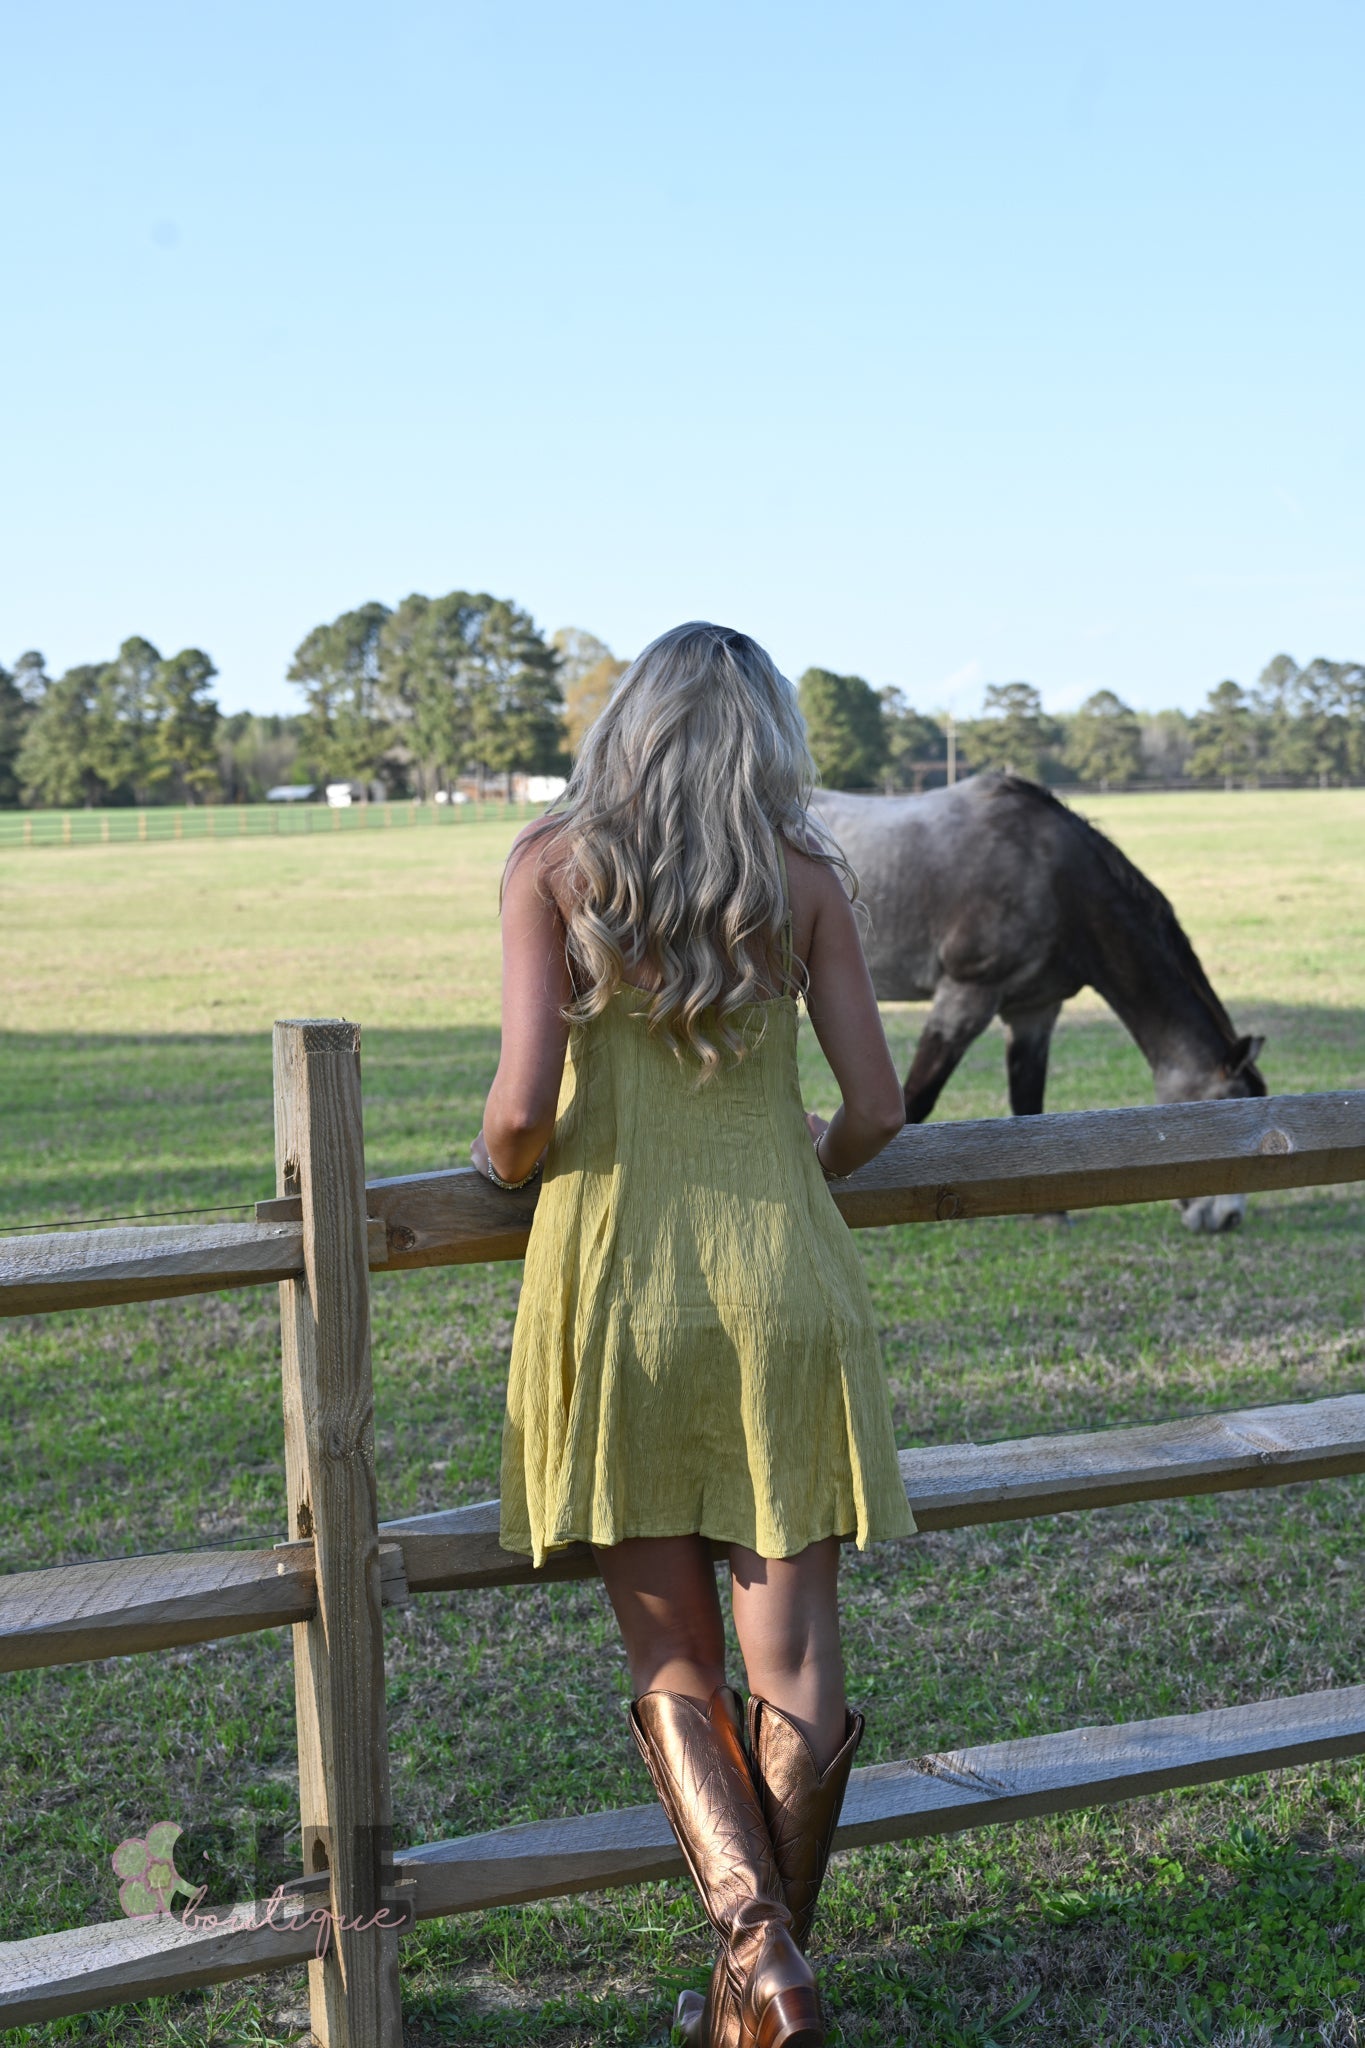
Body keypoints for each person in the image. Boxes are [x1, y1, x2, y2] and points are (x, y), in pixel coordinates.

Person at [471, 622, 914, 2048]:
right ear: (766, 742)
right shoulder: (805, 882)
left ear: (627, 733)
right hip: (780, 1286)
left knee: (670, 1657)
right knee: (790, 1662)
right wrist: (802, 1168)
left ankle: (754, 1962)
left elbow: (523, 1111)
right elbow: (877, 1111)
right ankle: (764, 1985)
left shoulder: (553, 867)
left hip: (615, 1288)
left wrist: (493, 1170)